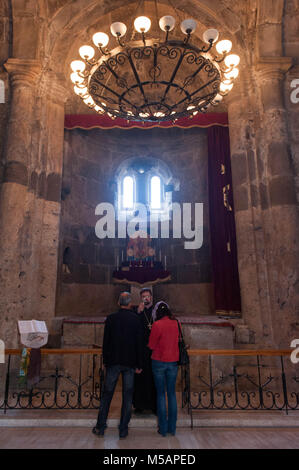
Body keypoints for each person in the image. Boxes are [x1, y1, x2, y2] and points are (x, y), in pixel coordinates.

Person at [92, 292, 143, 439]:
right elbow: (138, 344)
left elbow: (106, 342)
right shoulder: (135, 319)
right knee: (127, 397)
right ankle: (123, 429)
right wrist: (139, 364)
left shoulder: (111, 318)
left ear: (118, 303)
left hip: (113, 362)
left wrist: (105, 362)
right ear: (129, 303)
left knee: (107, 395)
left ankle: (100, 427)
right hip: (130, 363)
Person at [148, 301, 179, 437]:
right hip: (173, 361)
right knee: (171, 394)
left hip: (159, 361)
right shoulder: (176, 323)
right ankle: (172, 428)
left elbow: (151, 345)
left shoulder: (157, 324)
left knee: (161, 394)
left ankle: (163, 428)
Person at [133, 287, 157, 414]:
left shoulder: (157, 311)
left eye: (148, 296)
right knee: (141, 377)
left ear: (151, 297)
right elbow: (133, 329)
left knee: (153, 378)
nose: (146, 298)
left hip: (154, 350)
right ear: (141, 298)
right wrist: (138, 312)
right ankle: (139, 405)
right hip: (141, 350)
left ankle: (154, 405)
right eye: (143, 297)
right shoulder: (137, 311)